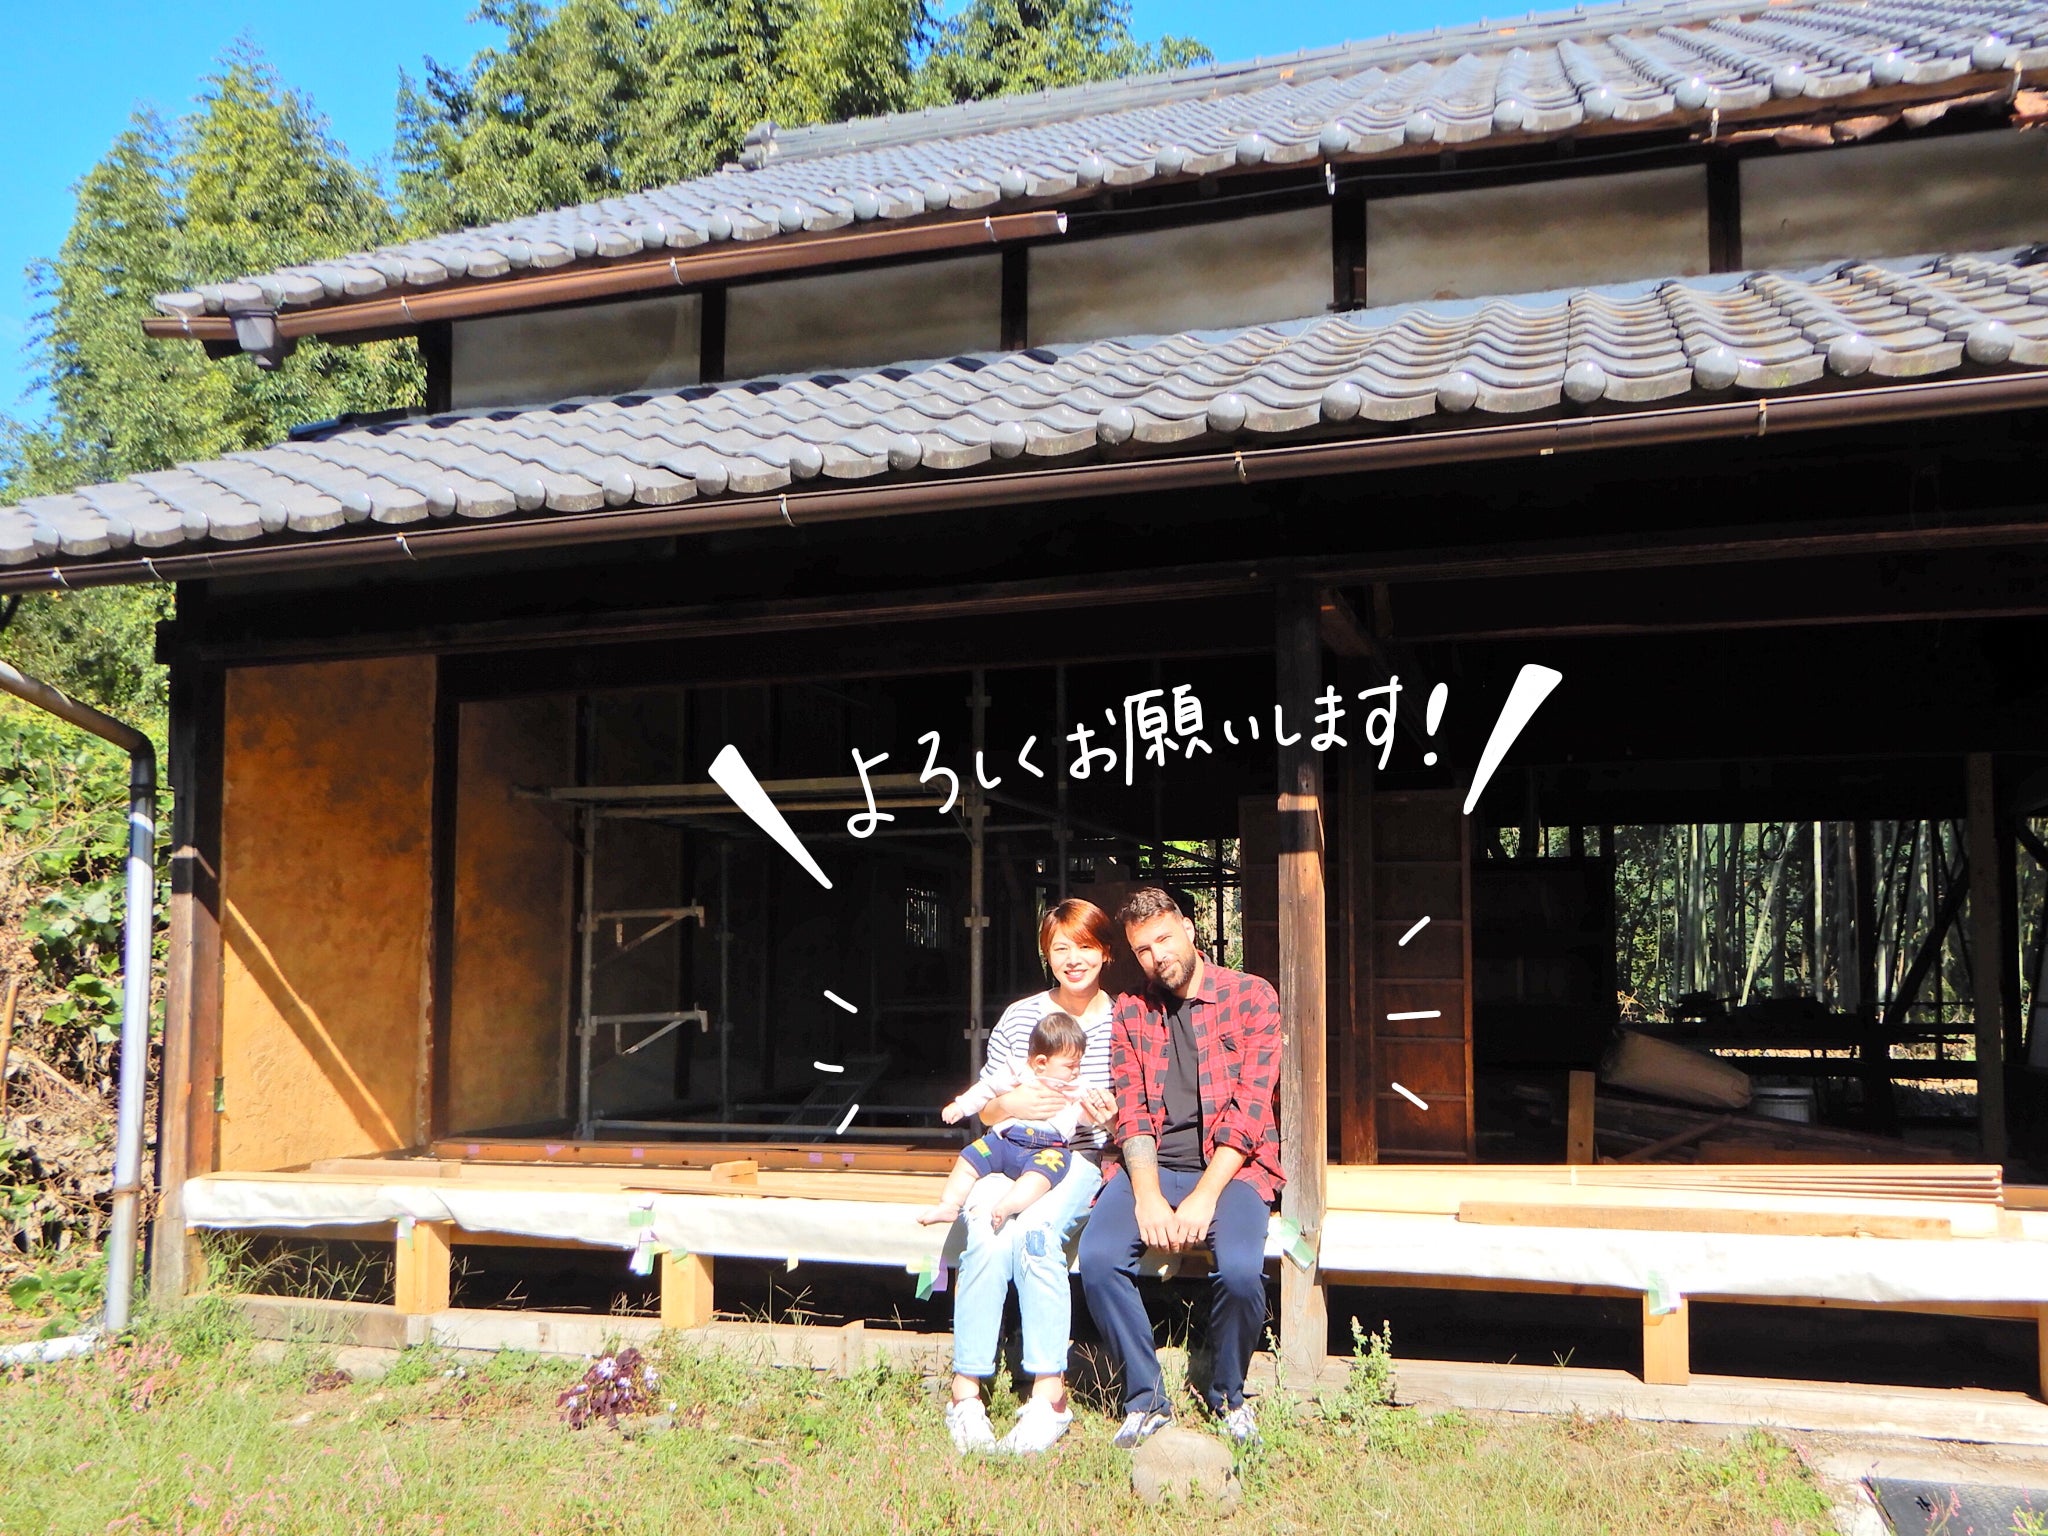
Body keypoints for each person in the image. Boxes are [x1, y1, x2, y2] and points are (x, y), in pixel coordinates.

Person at [1077, 887, 1284, 1449]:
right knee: (1098, 1259)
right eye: (1143, 950)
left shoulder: (1251, 996)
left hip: (1232, 1169)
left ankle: (1227, 1393)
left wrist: (1203, 1198)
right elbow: (1132, 1110)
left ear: (1189, 930)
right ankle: (1145, 1398)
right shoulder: (1132, 1010)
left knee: (1240, 1274)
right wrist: (1147, 1196)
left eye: (1164, 939)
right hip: (1152, 1165)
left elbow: (1251, 1111)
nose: (1157, 956)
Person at [942, 899, 1120, 1457]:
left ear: (1105, 952)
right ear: (1046, 955)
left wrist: (1109, 1113)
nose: (1073, 959)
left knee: (1037, 1232)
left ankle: (1049, 1395)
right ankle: (965, 1392)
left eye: (1085, 946)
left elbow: (1136, 1112)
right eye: (1060, 948)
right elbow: (988, 1107)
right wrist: (1016, 1103)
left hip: (1078, 1158)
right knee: (985, 1227)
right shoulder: (1022, 1016)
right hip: (1009, 1149)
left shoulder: (1126, 1020)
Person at [917, 1011, 1088, 1231]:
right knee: (969, 1157)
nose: (1076, 1071)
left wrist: (1094, 1113)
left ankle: (1009, 1205)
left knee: (1040, 1177)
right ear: (1041, 1063)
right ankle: (949, 1204)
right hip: (1004, 1141)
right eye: (1070, 1065)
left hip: (1048, 1148)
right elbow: (987, 1088)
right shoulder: (1017, 1073)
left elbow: (1083, 1116)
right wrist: (961, 1106)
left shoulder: (1076, 1087)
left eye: (1078, 1064)